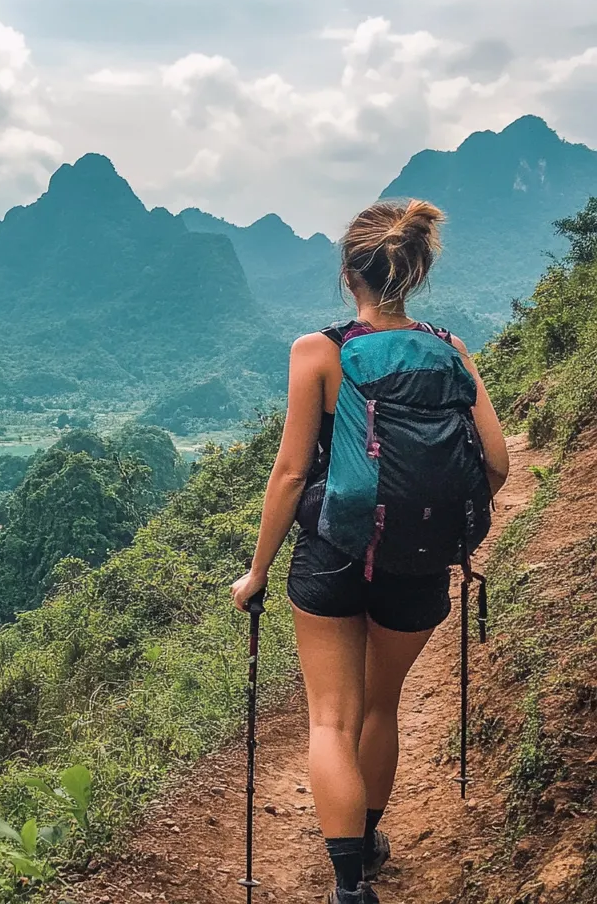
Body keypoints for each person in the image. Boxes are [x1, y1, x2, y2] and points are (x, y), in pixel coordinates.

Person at [229, 199, 510, 904]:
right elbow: (497, 464)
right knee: (380, 708)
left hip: (331, 555)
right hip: (417, 563)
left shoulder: (320, 352)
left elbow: (292, 474)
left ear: (347, 272)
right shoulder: (451, 350)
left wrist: (257, 572)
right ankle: (373, 836)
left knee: (331, 718)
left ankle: (350, 885)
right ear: (414, 272)